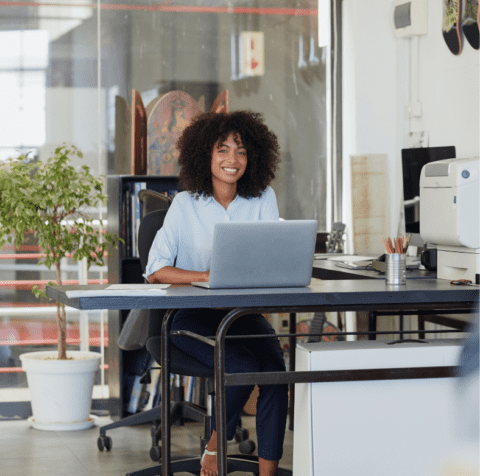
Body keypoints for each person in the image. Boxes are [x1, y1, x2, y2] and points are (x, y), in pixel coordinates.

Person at [146, 110, 288, 476]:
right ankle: (213, 446)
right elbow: (155, 269)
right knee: (241, 366)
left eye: (240, 151)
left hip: (243, 315)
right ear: (205, 155)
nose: (232, 160)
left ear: (252, 157)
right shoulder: (184, 204)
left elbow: (271, 259)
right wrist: (205, 275)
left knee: (275, 372)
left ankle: (267, 473)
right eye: (222, 150)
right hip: (190, 318)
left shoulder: (262, 199)